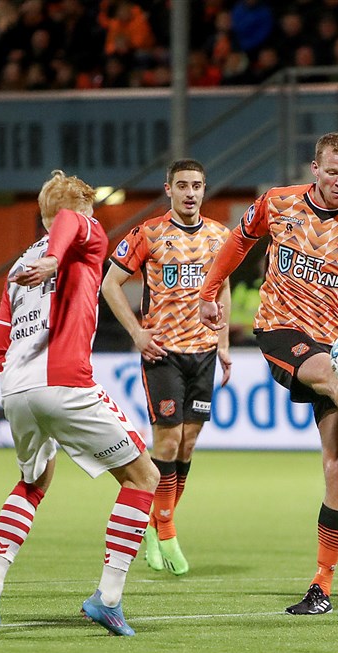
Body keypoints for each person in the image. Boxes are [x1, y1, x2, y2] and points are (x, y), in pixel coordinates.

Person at [198, 131, 338, 615]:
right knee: (327, 374)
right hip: (281, 329)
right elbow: (238, 243)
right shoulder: (277, 204)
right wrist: (207, 293)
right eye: (334, 172)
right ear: (315, 168)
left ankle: (321, 586)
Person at [0, 171, 159, 636]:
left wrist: (29, 385)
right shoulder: (83, 233)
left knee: (33, 481)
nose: (91, 220)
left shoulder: (18, 268)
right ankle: (108, 598)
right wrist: (57, 257)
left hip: (16, 389)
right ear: (78, 211)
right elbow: (73, 226)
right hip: (63, 381)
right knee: (144, 476)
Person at [101, 158, 232, 577]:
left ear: (204, 189)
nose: (191, 192)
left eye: (197, 185)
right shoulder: (149, 233)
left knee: (188, 445)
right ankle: (167, 528)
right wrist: (138, 335)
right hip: (163, 353)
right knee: (167, 444)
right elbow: (109, 285)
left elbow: (223, 287)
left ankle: (159, 524)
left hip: (205, 352)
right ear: (168, 189)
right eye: (182, 185)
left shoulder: (220, 236)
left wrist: (224, 344)